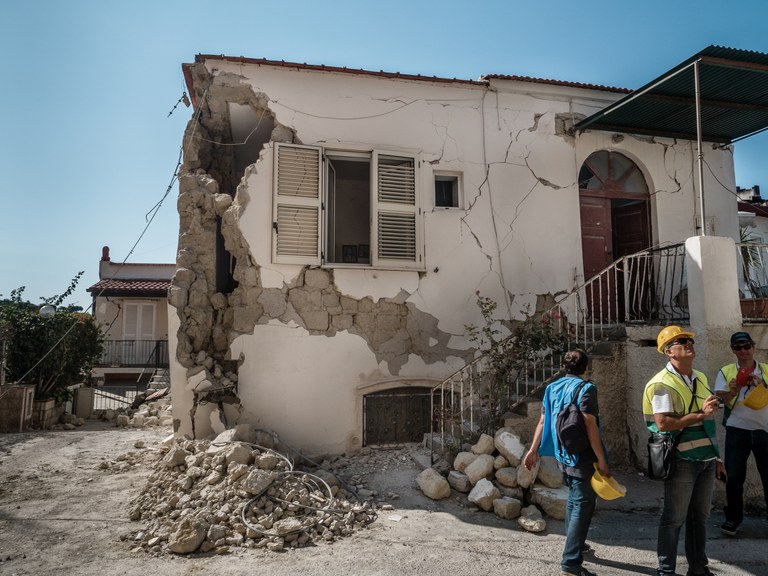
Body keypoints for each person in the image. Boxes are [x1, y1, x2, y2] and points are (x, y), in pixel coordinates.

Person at [642, 325, 725, 576]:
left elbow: (708, 421)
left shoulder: (699, 377)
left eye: (690, 341)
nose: (689, 344)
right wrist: (700, 414)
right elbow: (663, 423)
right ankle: (666, 570)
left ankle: (699, 567)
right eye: (681, 341)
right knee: (674, 519)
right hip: (682, 460)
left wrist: (717, 457)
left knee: (699, 519)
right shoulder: (661, 383)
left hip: (706, 459)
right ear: (669, 351)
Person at [524, 348, 608, 576]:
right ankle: (571, 562)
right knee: (584, 504)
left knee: (573, 499)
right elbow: (590, 424)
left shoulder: (552, 388)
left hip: (563, 453)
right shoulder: (587, 389)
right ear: (586, 368)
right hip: (583, 454)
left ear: (564, 366)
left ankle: (577, 546)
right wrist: (601, 458)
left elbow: (542, 421)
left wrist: (533, 450)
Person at [713, 331, 768, 536]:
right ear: (733, 350)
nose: (743, 351)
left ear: (753, 347)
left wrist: (761, 385)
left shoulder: (766, 370)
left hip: (765, 430)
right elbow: (720, 401)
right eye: (738, 348)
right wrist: (733, 391)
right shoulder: (726, 372)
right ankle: (733, 519)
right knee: (734, 478)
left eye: (746, 346)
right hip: (737, 430)